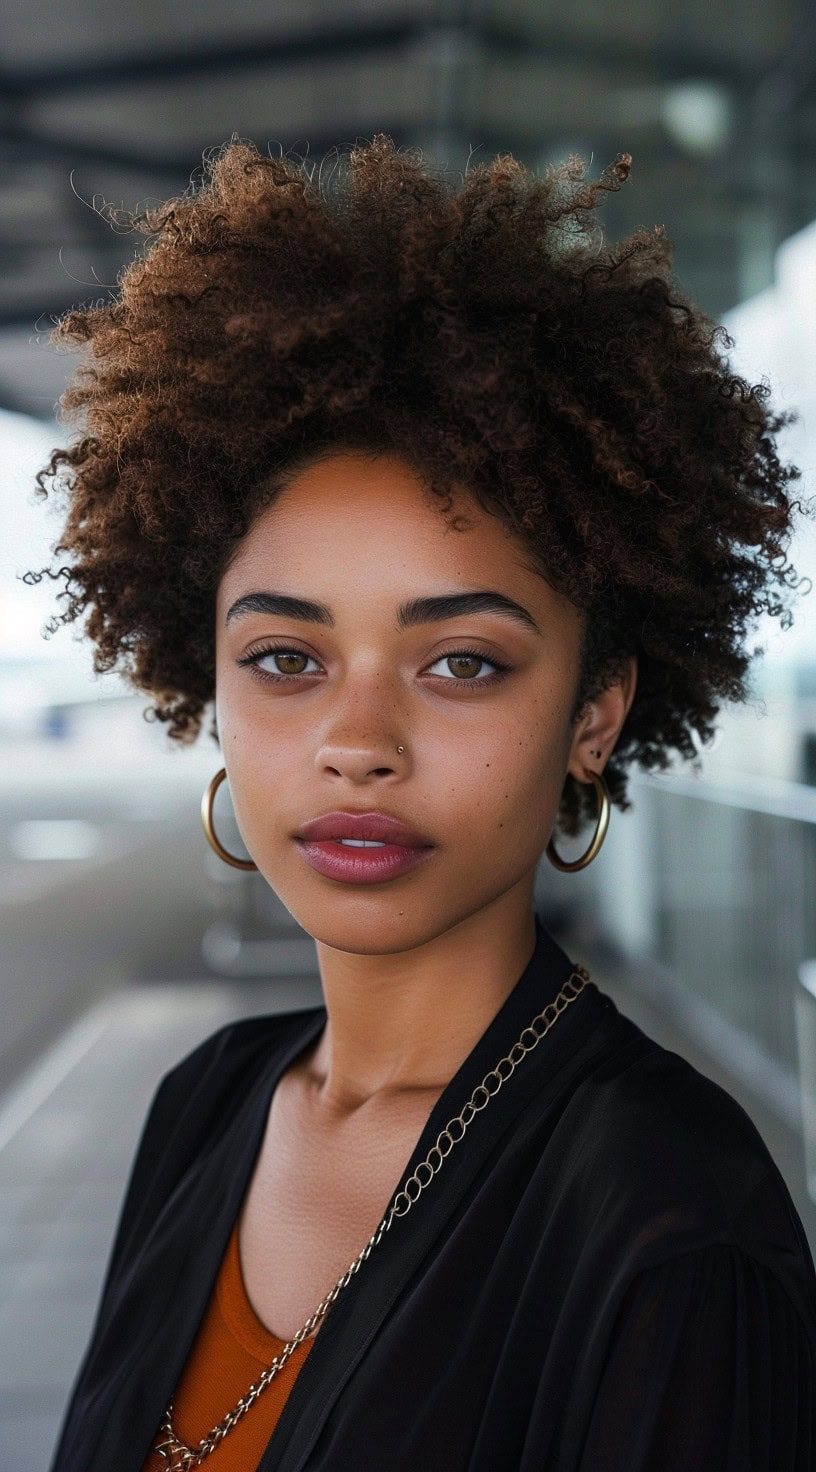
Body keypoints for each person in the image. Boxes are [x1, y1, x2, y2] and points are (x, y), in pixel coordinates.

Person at [30, 134, 815, 1471]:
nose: (357, 743)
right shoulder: (206, 1104)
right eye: (286, 658)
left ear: (595, 711)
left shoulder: (678, 1221)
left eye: (463, 662)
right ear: (207, 679)